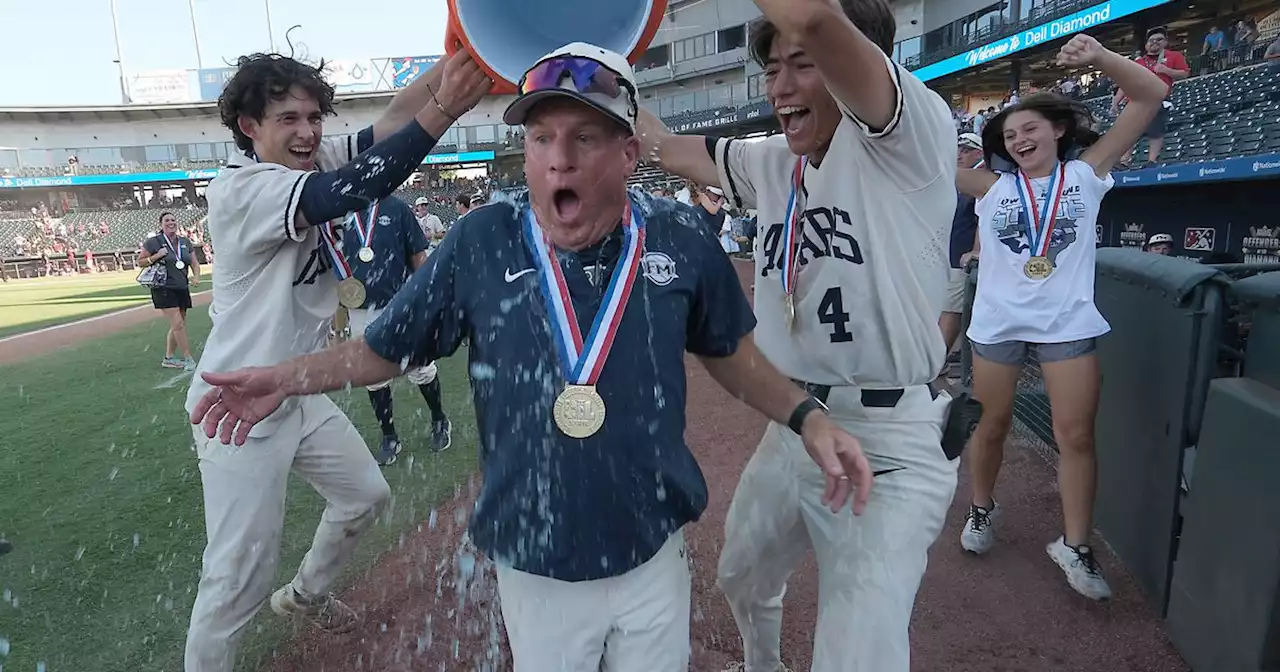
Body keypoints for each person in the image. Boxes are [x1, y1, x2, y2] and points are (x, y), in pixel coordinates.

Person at [189, 42, 873, 672]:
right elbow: (381, 350)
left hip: (653, 550)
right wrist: (281, 379)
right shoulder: (482, 239)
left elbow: (730, 351)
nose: (558, 158)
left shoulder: (681, 234)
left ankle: (307, 587)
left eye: (584, 137)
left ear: (630, 152)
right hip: (533, 563)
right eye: (540, 136)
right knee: (236, 572)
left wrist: (807, 417)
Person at [637, 0, 961, 668]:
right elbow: (664, 148)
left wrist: (818, 32)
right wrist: (592, 67)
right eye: (771, 67)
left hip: (890, 445)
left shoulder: (910, 137)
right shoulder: (771, 162)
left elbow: (814, 16)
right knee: (742, 575)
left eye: (801, 65)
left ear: (854, 64)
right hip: (796, 424)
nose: (778, 85)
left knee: (857, 655)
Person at [180, 50, 491, 672]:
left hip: (291, 389)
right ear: (249, 125)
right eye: (289, 118)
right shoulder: (241, 188)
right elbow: (358, 184)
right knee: (235, 581)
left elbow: (396, 115)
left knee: (364, 495)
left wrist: (461, 54)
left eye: (315, 116)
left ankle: (304, 598)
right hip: (237, 403)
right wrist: (447, 109)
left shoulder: (304, 158)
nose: (308, 131)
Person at [956, 33, 1167, 601]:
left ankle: (1074, 545)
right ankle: (980, 509)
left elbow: (1148, 96)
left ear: (1057, 130)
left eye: (1030, 128)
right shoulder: (990, 186)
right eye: (1009, 134)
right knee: (991, 424)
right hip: (997, 323)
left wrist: (1101, 57)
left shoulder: (1087, 173)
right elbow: (915, 165)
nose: (1019, 138)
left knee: (1075, 435)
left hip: (1068, 323)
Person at [337, 194, 452, 464]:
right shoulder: (340, 210)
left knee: (420, 368)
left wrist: (427, 300)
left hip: (401, 303)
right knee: (373, 376)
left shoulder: (396, 207)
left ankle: (439, 419)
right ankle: (390, 436)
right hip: (360, 308)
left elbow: (418, 255)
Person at [1114, 26, 1188, 166]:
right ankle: (1124, 161)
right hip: (1135, 101)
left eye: (1159, 39)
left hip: (1157, 99)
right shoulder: (1139, 62)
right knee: (1129, 132)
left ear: (1165, 42)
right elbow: (1126, 82)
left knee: (1155, 131)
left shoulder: (1174, 56)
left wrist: (1167, 70)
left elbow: (1184, 73)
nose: (1155, 42)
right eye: (1151, 40)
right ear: (1146, 44)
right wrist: (1116, 100)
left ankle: (1151, 161)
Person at [137, 211, 201, 370]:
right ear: (161, 224)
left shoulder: (184, 242)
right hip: (163, 287)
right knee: (178, 324)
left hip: (181, 286)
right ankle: (188, 358)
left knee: (178, 324)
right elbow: (141, 262)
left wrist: (196, 276)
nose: (171, 222)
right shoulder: (153, 242)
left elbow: (194, 262)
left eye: (173, 220)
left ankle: (169, 357)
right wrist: (156, 256)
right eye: (167, 220)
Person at [940, 133, 985, 354]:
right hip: (946, 256)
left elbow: (983, 220)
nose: (959, 154)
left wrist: (976, 250)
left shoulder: (982, 177)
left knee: (951, 310)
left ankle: (936, 361)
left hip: (962, 258)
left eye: (967, 150)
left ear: (980, 152)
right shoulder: (958, 178)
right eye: (959, 149)